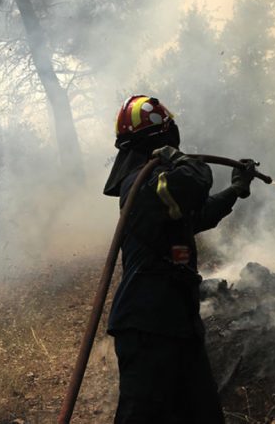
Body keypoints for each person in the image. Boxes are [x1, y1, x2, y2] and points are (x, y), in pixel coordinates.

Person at [103, 95, 256, 424]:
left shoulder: (158, 188)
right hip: (148, 327)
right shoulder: (141, 182)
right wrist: (182, 159)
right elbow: (192, 181)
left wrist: (235, 191)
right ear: (162, 136)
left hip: (177, 323)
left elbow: (195, 215)